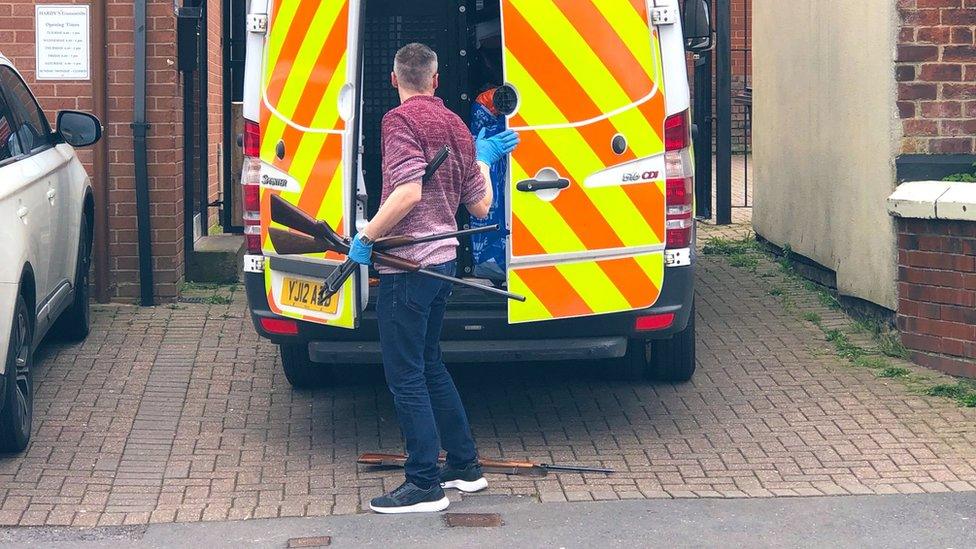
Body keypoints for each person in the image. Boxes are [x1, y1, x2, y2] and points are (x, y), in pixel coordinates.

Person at [346, 43, 519, 514]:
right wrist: (483, 157)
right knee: (429, 365)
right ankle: (464, 466)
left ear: (393, 79)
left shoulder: (398, 122)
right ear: (437, 80)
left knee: (405, 377)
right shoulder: (457, 126)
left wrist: (366, 236)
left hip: (408, 266)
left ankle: (424, 483)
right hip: (442, 262)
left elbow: (406, 192)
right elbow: (480, 206)